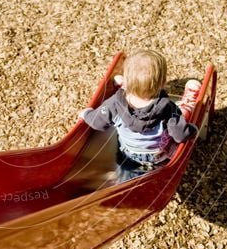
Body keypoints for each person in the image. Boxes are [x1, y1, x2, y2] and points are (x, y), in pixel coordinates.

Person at [79, 50, 200, 182]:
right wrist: (193, 129)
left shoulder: (114, 104)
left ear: (126, 80)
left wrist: (86, 114)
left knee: (125, 166)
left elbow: (98, 122)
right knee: (181, 116)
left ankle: (124, 180)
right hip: (158, 156)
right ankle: (186, 106)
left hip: (128, 153)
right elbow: (180, 134)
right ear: (163, 83)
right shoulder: (167, 108)